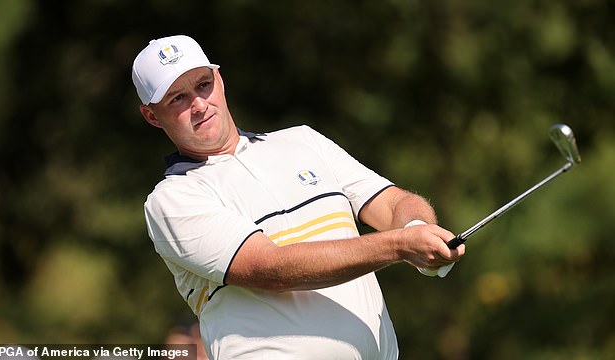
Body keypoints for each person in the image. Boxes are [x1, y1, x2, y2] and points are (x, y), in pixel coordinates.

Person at [132, 35, 465, 359]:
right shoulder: (171, 200)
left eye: (203, 85)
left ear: (219, 80)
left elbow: (393, 204)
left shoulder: (302, 140)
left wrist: (419, 229)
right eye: (177, 98)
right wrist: (401, 245)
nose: (199, 105)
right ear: (151, 115)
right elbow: (270, 268)